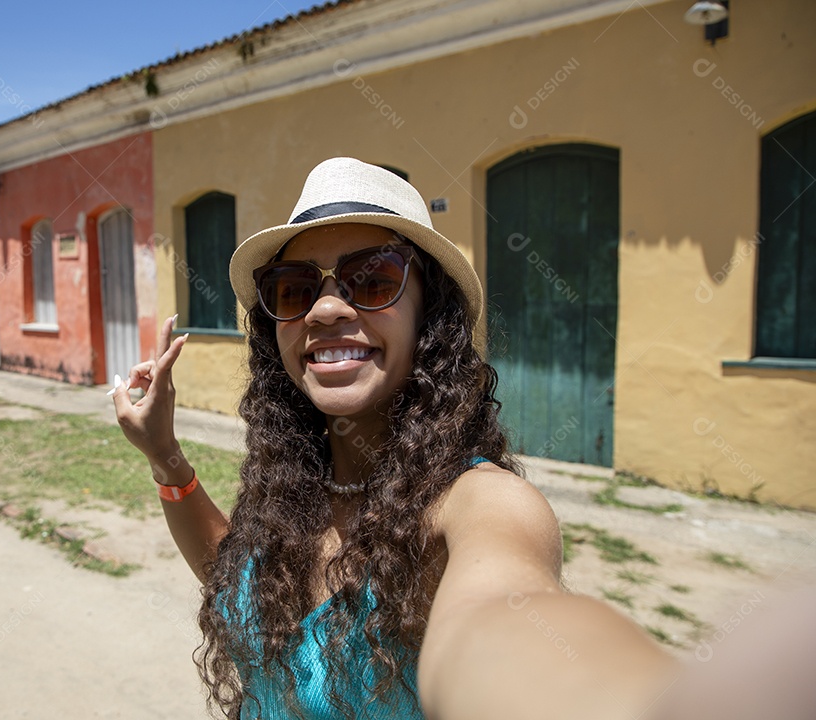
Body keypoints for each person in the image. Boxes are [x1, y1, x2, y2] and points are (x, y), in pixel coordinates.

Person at [110, 158, 810, 720]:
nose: (326, 307)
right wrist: (166, 457)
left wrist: (652, 704)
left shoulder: (481, 505)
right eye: (295, 290)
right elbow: (244, 585)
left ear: (430, 317)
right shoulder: (293, 485)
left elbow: (502, 625)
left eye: (372, 279)